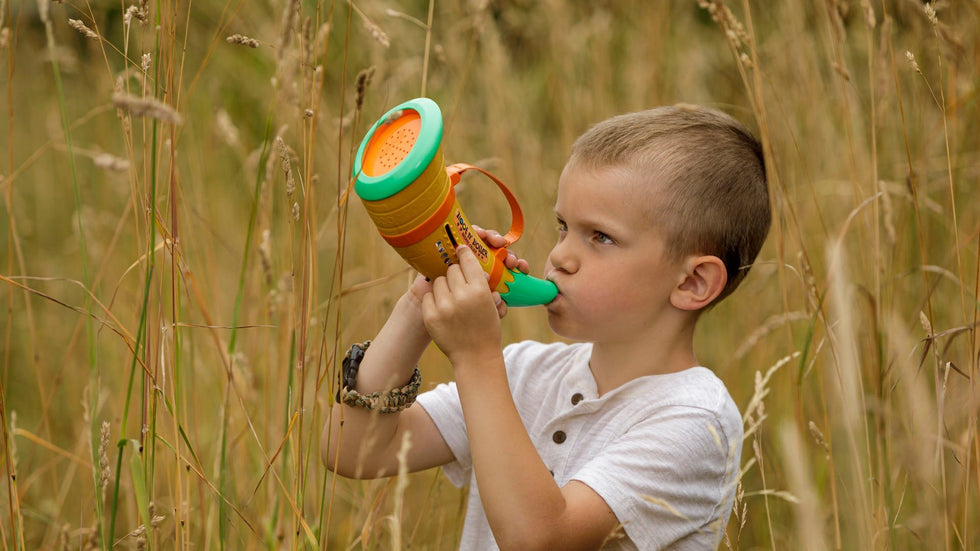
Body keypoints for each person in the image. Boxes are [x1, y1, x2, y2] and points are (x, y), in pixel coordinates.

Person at [323, 103, 771, 550]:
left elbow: (541, 539)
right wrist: (416, 308)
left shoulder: (695, 421)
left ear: (693, 282)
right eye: (563, 227)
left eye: (601, 237)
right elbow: (351, 450)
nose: (560, 256)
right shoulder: (525, 371)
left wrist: (475, 357)